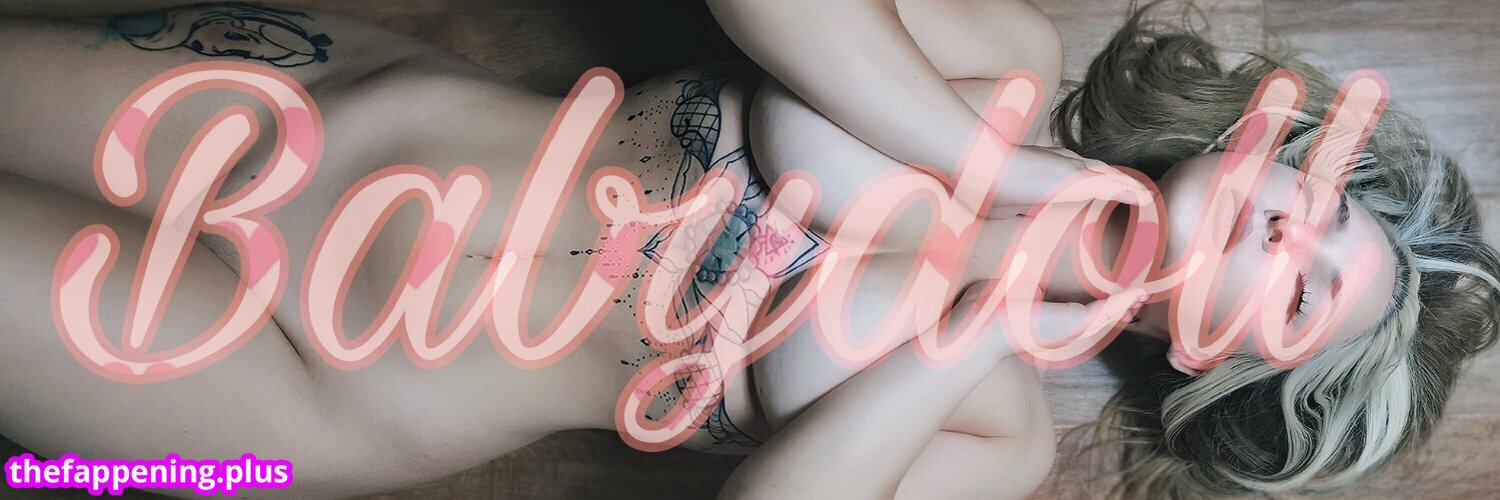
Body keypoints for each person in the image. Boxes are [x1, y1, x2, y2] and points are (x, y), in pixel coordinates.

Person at [0, 3, 1493, 500]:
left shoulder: (996, 435)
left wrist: (981, 318)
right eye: (1324, 201)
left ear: (1226, 370)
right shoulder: (1010, 61)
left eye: (1305, 288)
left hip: (320, 393)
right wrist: (996, 161)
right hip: (319, 125)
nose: (1291, 224)